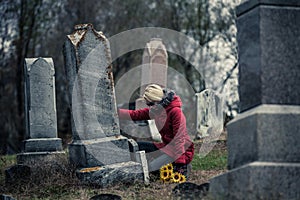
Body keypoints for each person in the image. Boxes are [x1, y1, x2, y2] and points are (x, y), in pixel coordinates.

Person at [118, 84, 194, 178]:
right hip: (166, 146)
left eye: (150, 103)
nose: (149, 106)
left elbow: (179, 138)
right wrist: (116, 112)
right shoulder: (156, 110)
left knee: (151, 169)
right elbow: (136, 114)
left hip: (180, 150)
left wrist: (181, 163)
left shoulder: (175, 111)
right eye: (147, 104)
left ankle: (183, 165)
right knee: (138, 146)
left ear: (156, 100)